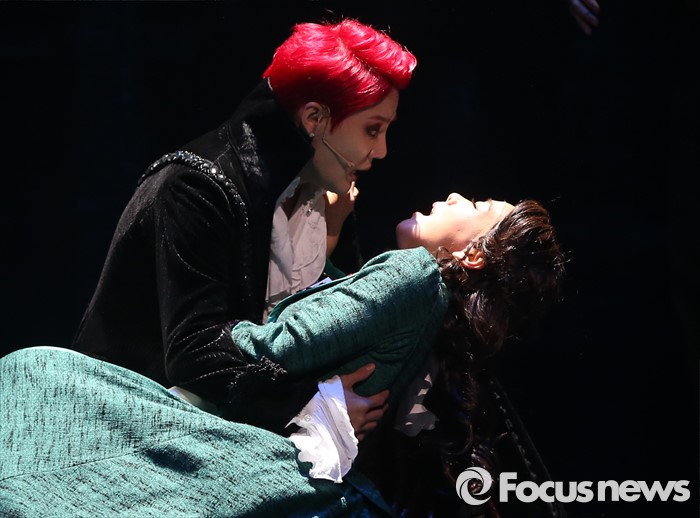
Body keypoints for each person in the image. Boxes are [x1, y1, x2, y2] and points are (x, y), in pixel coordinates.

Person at [1, 193, 566, 516]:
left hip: (265, 451)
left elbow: (279, 347)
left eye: (477, 203)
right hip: (300, 467)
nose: (454, 196)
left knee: (37, 377)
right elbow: (340, 335)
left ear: (472, 255)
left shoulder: (414, 275)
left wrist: (202, 333)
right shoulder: (432, 309)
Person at [70, 18, 418, 436]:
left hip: (225, 427)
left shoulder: (327, 196)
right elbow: (195, 352)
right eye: (372, 129)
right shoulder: (197, 187)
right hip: (124, 424)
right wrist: (309, 406)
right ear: (314, 119)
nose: (381, 150)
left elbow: (336, 331)